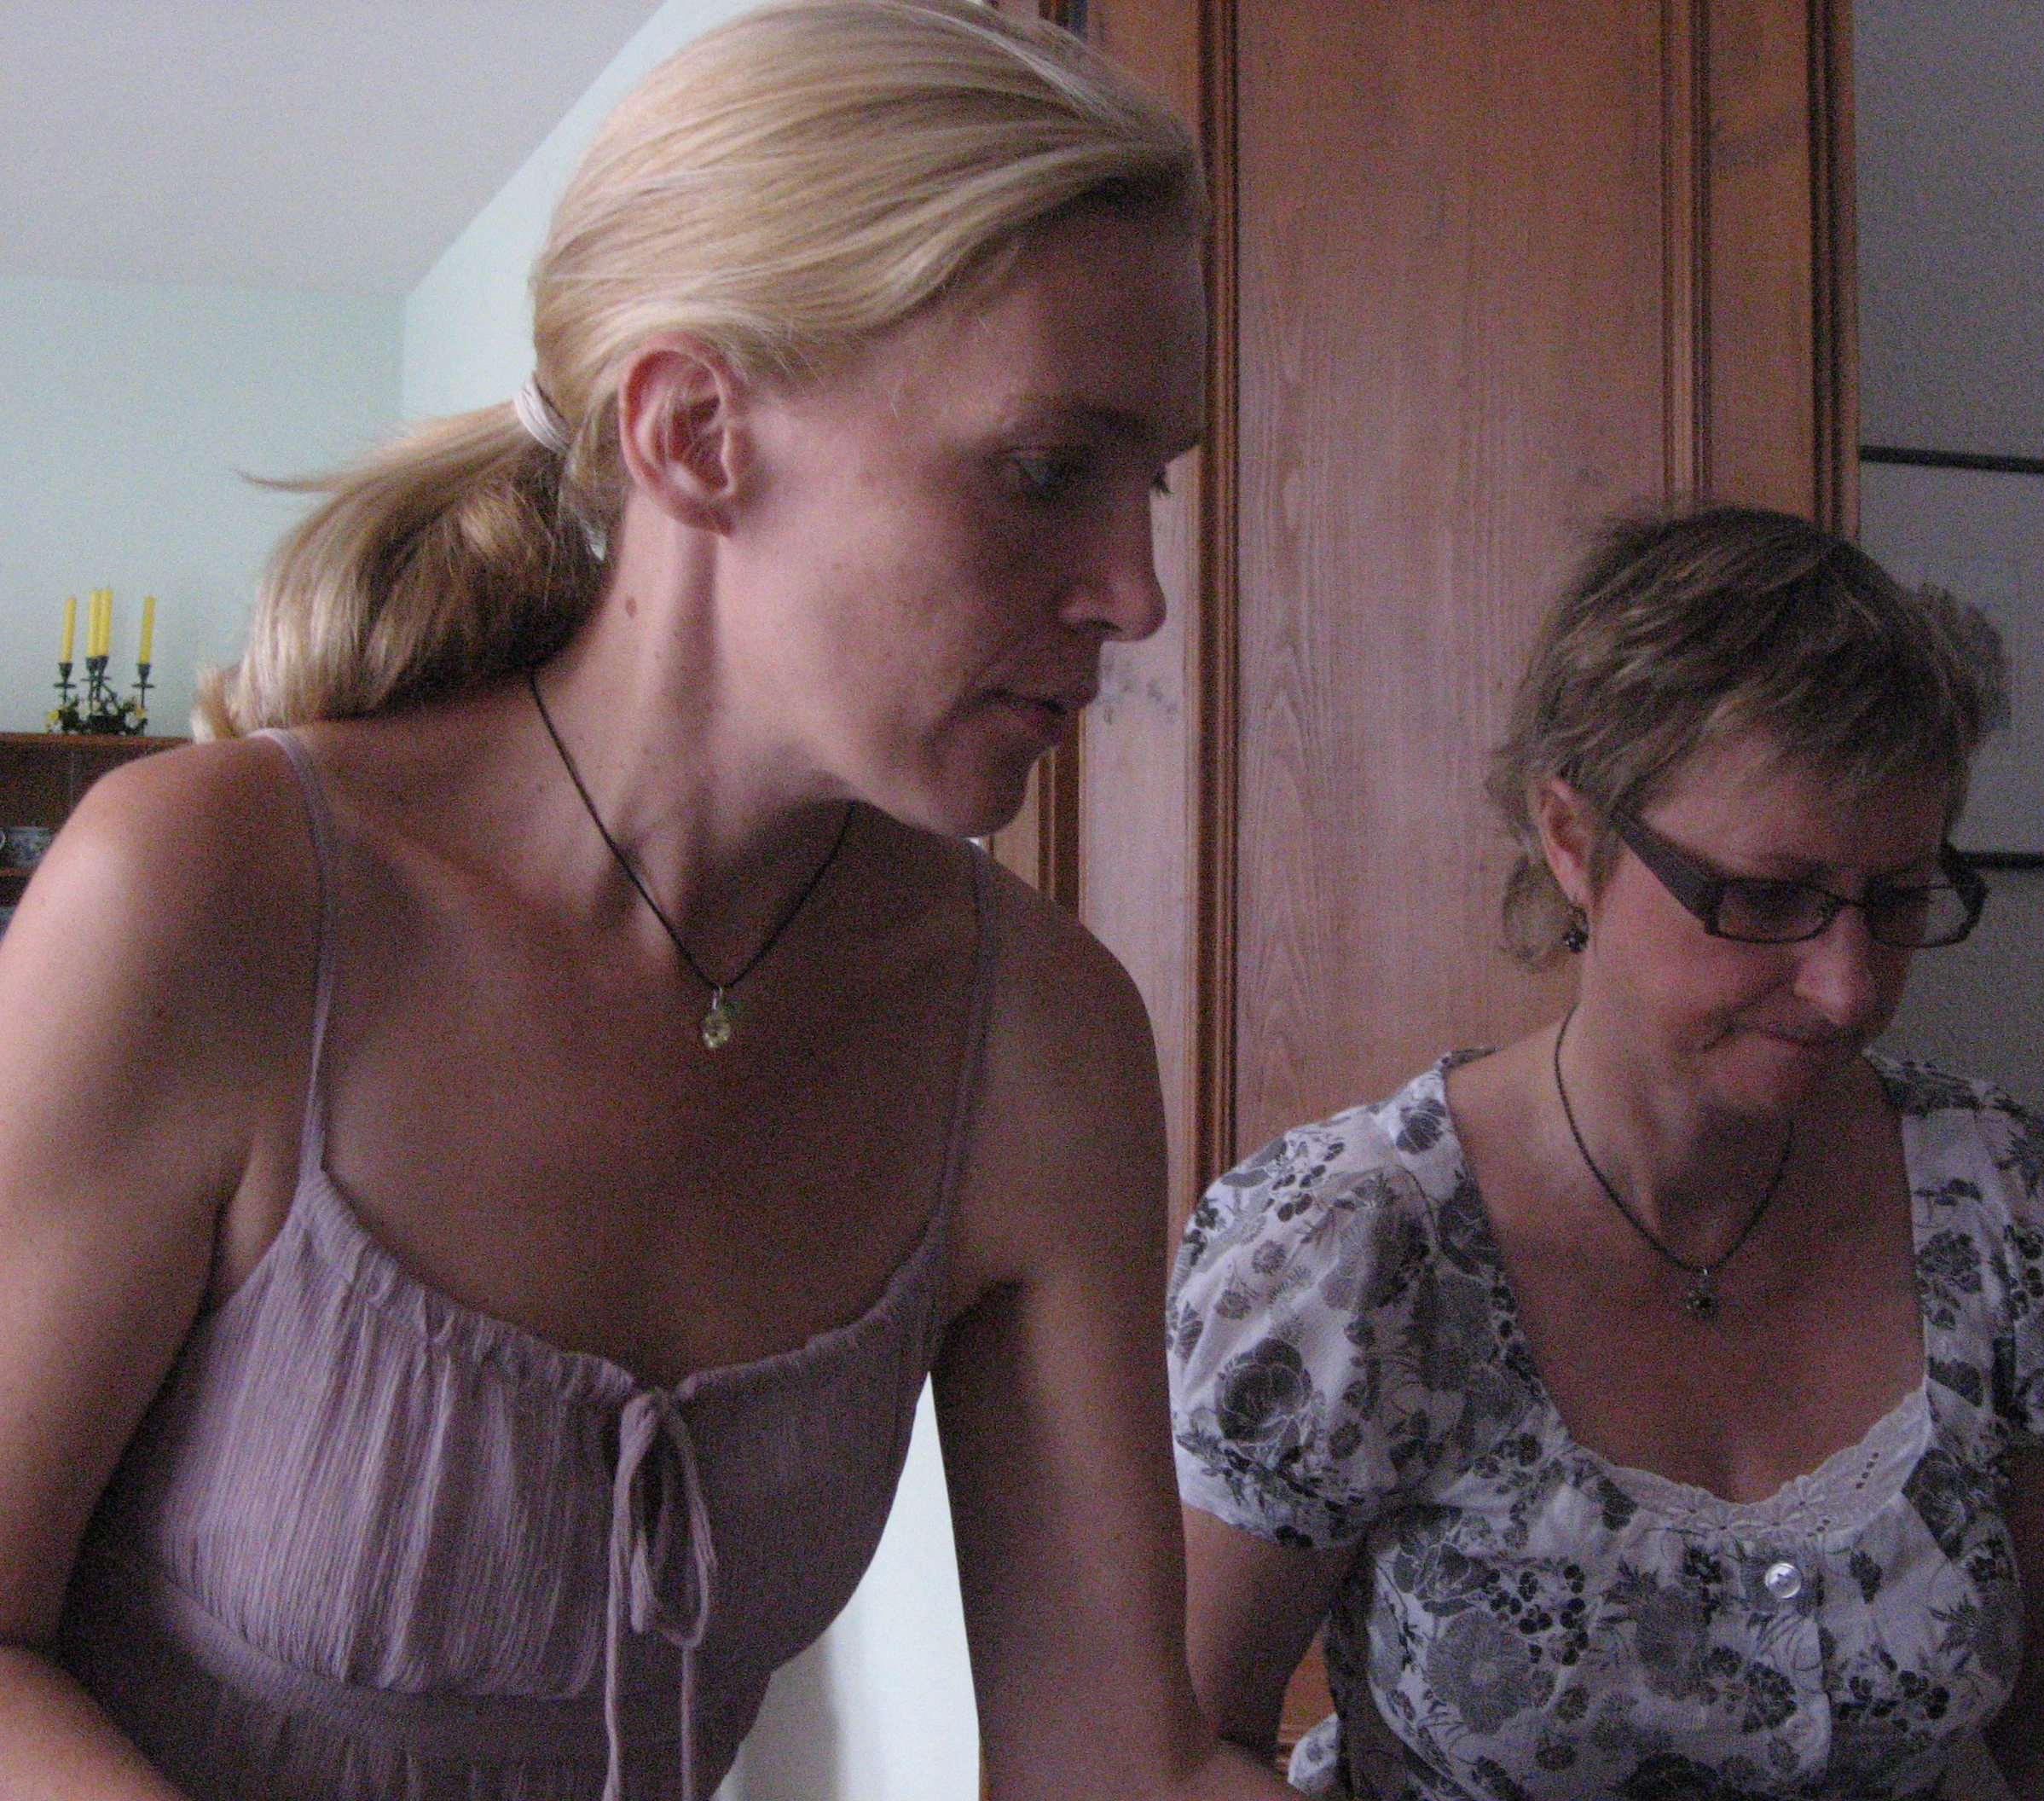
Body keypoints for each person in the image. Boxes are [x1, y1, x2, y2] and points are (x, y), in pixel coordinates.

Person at [0, 5, 1291, 1798]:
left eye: (1148, 484)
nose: (1137, 595)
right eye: (1044, 472)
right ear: (695, 434)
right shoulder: (212, 898)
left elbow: (1104, 1760)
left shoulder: (1034, 1039)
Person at [1170, 508, 2044, 1800]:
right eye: (1767, 898)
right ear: (1574, 840)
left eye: (1899, 899)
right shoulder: (1349, 1253)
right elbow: (1184, 1748)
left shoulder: (2015, 1215)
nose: (1849, 988)